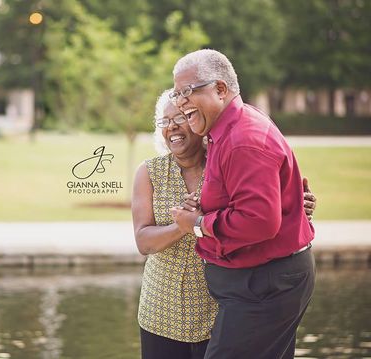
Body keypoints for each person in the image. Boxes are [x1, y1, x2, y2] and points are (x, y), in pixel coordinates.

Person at [132, 88, 317, 359]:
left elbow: (260, 208)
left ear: (197, 120)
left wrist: (297, 206)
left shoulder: (224, 159)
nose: (172, 127)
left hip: (220, 310)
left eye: (181, 117)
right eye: (164, 121)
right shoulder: (150, 172)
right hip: (162, 310)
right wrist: (184, 225)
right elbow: (143, 241)